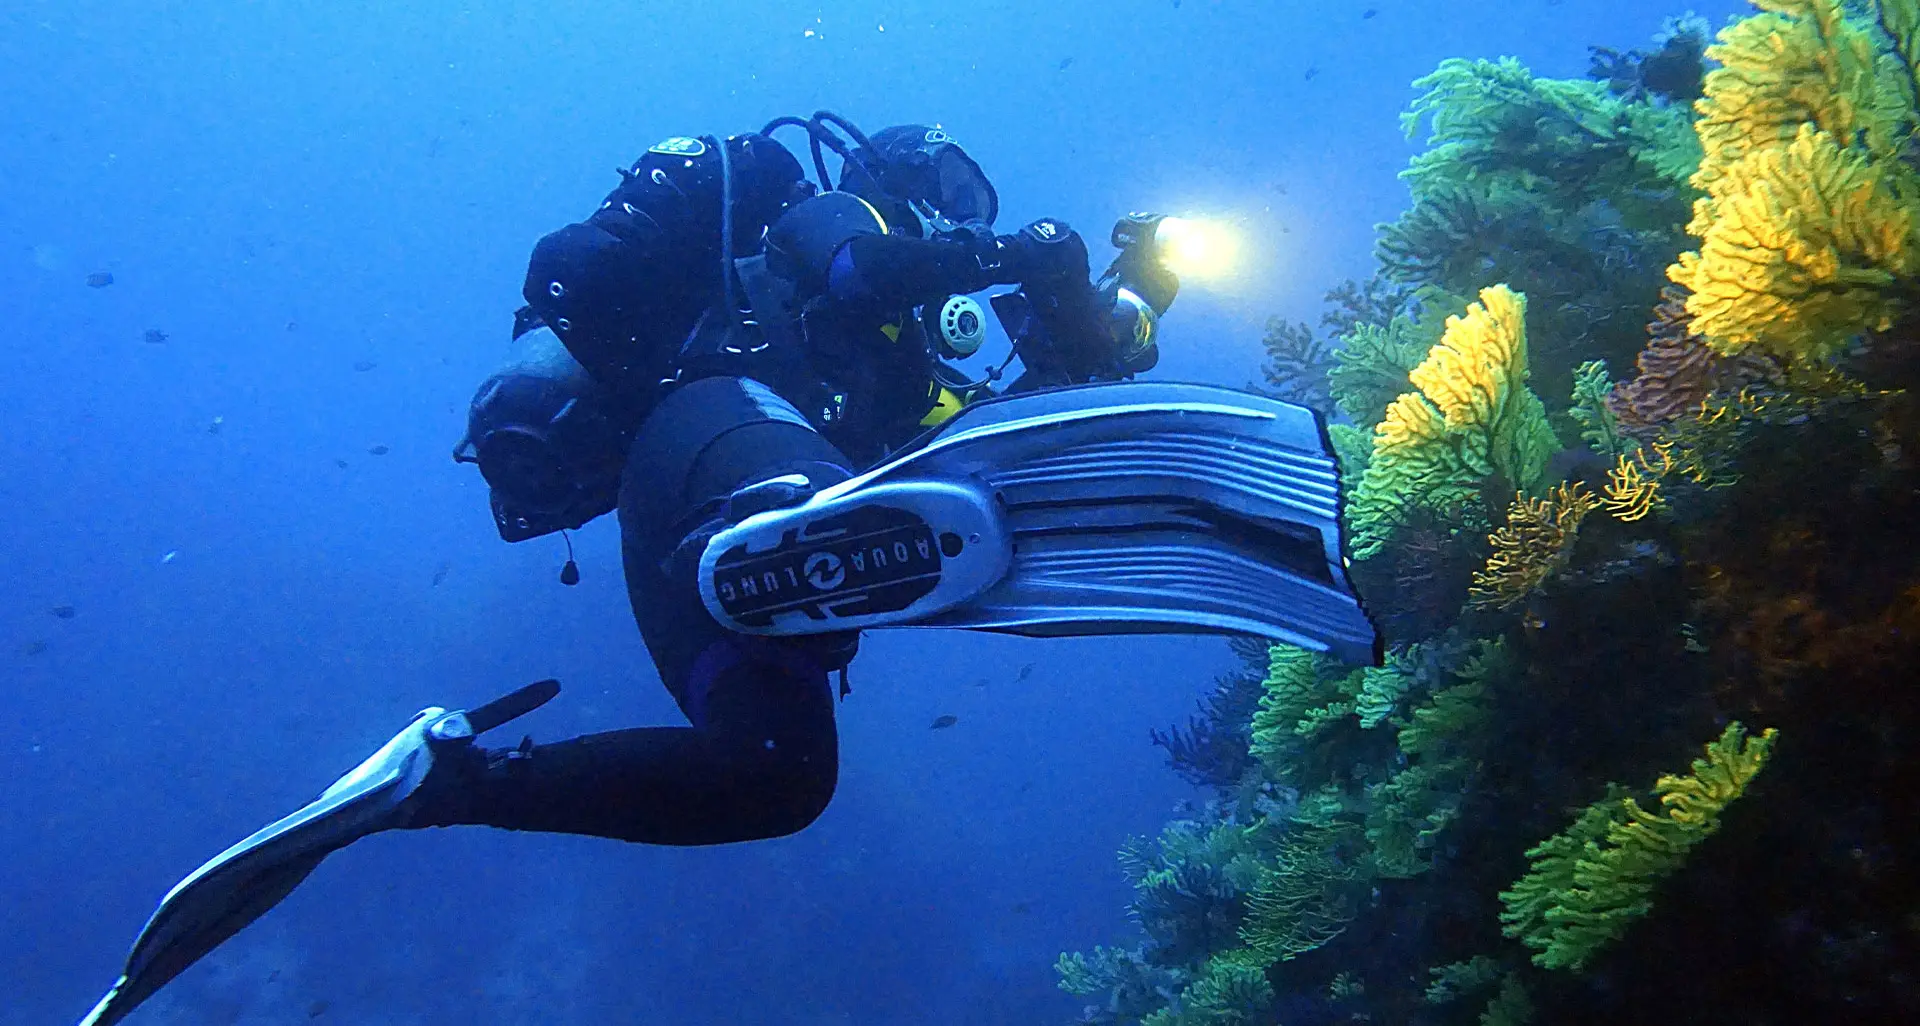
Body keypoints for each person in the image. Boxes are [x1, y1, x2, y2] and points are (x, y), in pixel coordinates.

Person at [77, 113, 1376, 1026]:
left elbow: (1026, 426)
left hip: (690, 524)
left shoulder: (893, 367)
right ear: (910, 172)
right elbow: (865, 265)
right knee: (799, 485)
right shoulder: (832, 212)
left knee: (779, 777)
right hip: (718, 437)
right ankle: (785, 535)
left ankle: (441, 781)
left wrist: (1120, 295)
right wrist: (1002, 246)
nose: (965, 218)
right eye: (957, 192)